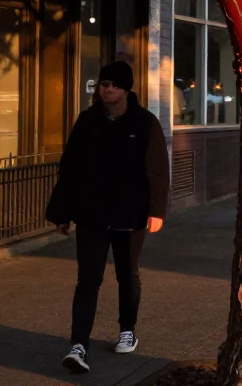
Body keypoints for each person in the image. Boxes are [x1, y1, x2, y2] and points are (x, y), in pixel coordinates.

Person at [46, 62, 169, 374]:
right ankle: (78, 345)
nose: (107, 89)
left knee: (127, 275)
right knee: (88, 279)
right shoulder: (87, 122)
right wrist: (62, 213)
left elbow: (157, 168)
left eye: (114, 85)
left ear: (126, 89)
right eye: (103, 84)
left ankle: (127, 329)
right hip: (92, 214)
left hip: (131, 214)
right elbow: (70, 168)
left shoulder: (144, 123)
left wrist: (156, 210)